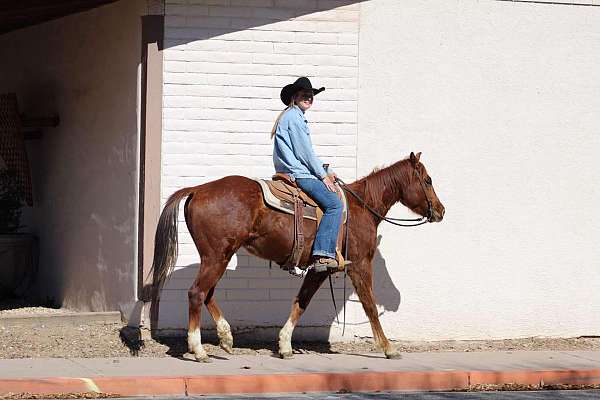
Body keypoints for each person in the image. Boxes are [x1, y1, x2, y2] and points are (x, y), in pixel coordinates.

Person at [271, 77, 342, 270]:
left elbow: (305, 153)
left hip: (294, 170)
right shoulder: (294, 117)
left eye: (311, 95)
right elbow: (305, 153)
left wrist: (327, 170)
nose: (309, 98)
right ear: (294, 97)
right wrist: (322, 176)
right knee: (335, 204)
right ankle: (323, 255)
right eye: (304, 95)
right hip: (299, 173)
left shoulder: (291, 116)